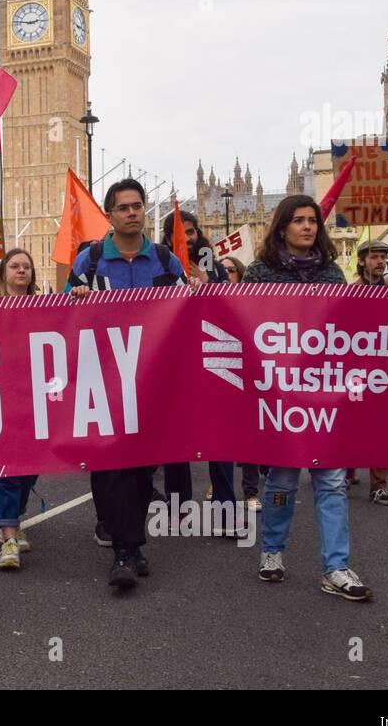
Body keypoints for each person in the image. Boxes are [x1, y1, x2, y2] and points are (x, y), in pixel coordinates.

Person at [242, 194, 372, 601]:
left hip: (323, 389)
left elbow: (347, 330)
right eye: (298, 220)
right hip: (280, 392)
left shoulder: (333, 273)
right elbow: (244, 326)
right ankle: (272, 552)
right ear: (282, 226)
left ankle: (336, 566)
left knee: (331, 480)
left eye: (312, 220)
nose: (307, 226)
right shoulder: (259, 273)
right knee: (281, 478)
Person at [67, 179, 186, 593]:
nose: (132, 213)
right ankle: (125, 549)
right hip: (104, 382)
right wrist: (76, 300)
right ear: (111, 214)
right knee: (110, 465)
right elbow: (62, 316)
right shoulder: (91, 261)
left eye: (138, 206)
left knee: (140, 469)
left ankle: (129, 540)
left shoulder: (167, 262)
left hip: (152, 383)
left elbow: (187, 313)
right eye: (123, 207)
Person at [159, 210, 237, 523]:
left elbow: (231, 310)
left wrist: (208, 285)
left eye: (191, 232)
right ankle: (178, 508)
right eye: (180, 234)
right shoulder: (162, 268)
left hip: (212, 361)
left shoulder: (213, 267)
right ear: (167, 239)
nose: (187, 239)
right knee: (176, 441)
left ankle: (224, 508)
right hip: (175, 365)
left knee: (221, 439)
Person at [0, 248, 40, 570]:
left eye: (26, 266)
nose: (21, 271)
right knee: (3, 466)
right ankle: (7, 536)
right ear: (4, 273)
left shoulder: (43, 307)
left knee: (31, 464)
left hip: (34, 398)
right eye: (15, 266)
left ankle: (15, 520)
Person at [345, 239, 388, 506]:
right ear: (361, 262)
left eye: (382, 257)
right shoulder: (351, 291)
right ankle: (346, 471)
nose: (379, 262)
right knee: (351, 422)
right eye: (374, 257)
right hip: (355, 369)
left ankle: (379, 486)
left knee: (381, 426)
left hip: (383, 370)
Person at [219, 256, 262, 510]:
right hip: (222, 375)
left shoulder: (251, 301)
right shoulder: (212, 300)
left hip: (248, 375)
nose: (227, 274)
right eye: (222, 270)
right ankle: (221, 489)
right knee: (221, 436)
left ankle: (250, 492)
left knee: (248, 439)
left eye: (231, 270)